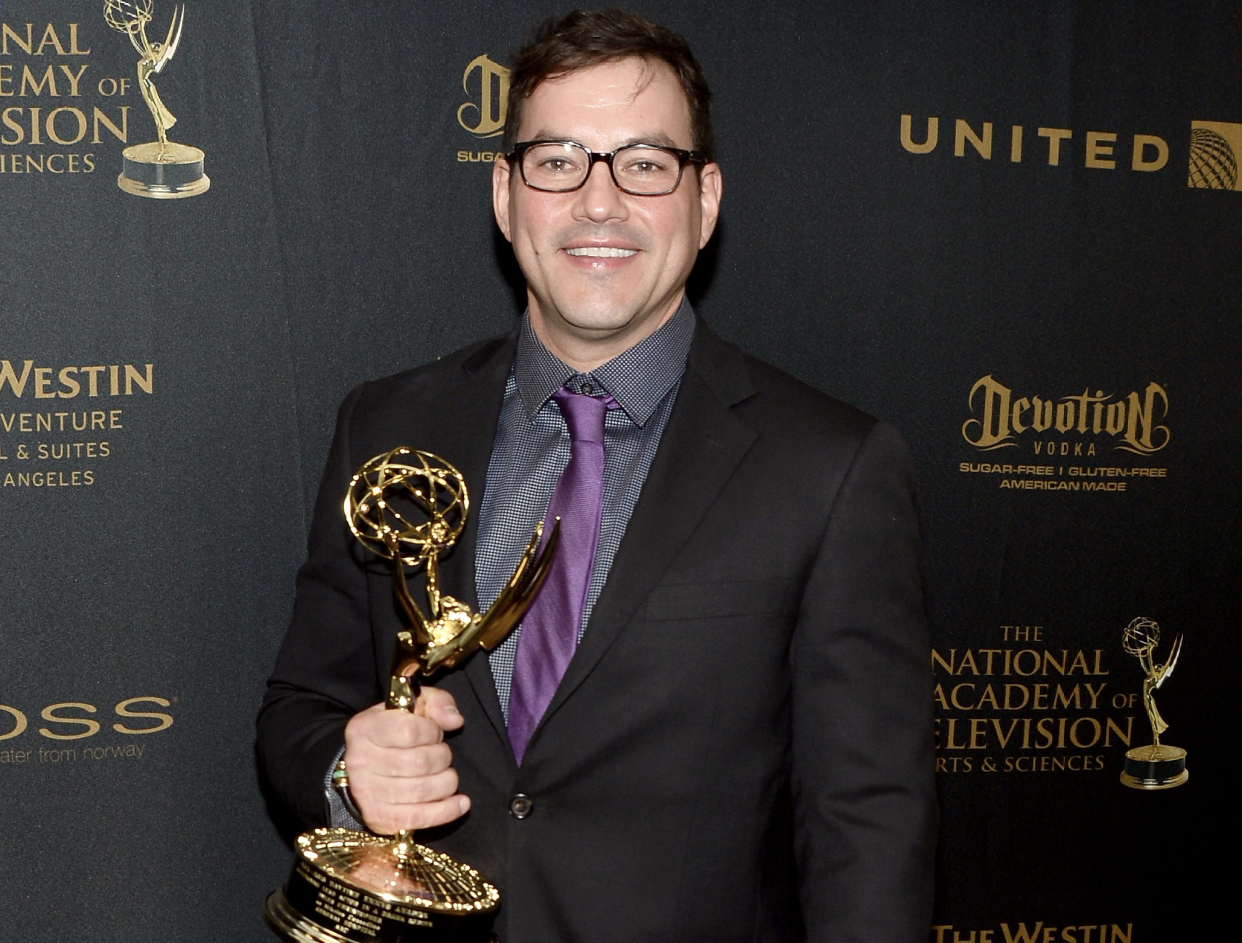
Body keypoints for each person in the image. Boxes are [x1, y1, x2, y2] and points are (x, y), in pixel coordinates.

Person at [257, 10, 936, 942]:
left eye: (645, 163)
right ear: (505, 194)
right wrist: (347, 768)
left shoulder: (832, 466)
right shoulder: (385, 425)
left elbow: (869, 823)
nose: (600, 202)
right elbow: (302, 703)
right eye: (559, 159)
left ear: (705, 201)